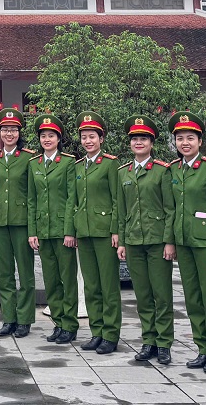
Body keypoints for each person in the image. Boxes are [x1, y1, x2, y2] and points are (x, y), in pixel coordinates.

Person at [168, 111, 206, 374]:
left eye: (190, 138)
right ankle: (202, 348)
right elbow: (172, 209)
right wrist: (171, 241)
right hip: (184, 241)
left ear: (200, 141)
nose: (185, 143)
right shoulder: (174, 169)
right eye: (180, 138)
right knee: (193, 298)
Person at [116, 115, 175, 365]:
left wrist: (169, 241)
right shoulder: (123, 173)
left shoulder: (162, 171)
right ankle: (148, 340)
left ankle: (164, 343)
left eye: (143, 139)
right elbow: (121, 210)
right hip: (134, 241)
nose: (138, 143)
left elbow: (171, 209)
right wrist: (121, 241)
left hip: (158, 241)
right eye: (134, 139)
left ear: (151, 142)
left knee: (161, 294)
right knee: (142, 295)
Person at [0, 108, 36, 337]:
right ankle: (9, 318)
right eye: (5, 129)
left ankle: (24, 320)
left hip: (21, 222)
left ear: (19, 132)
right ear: (0, 132)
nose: (9, 134)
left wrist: (33, 228)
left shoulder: (28, 158)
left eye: (13, 130)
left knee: (25, 274)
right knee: (4, 274)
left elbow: (32, 196)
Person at [72, 110, 122, 355]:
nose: (88, 141)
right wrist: (73, 230)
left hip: (104, 233)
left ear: (101, 139)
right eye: (84, 137)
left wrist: (115, 230)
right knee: (91, 286)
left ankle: (111, 334)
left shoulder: (110, 164)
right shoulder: (78, 166)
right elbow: (75, 201)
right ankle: (97, 331)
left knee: (108, 285)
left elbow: (116, 200)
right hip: (85, 232)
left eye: (92, 136)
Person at [27, 114, 78, 344]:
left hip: (62, 231)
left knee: (67, 279)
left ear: (59, 139)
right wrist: (32, 231)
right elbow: (31, 200)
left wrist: (70, 231)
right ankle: (58, 322)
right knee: (51, 280)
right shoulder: (34, 164)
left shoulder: (68, 163)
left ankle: (70, 324)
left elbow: (71, 199)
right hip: (43, 231)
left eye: (51, 136)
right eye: (43, 136)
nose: (47, 139)